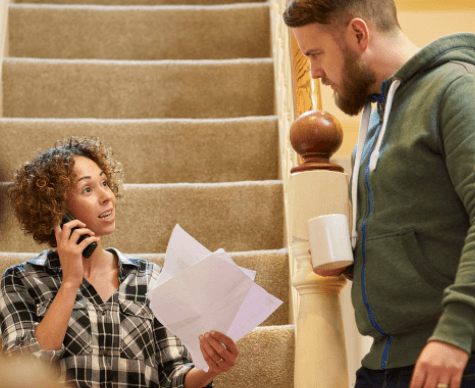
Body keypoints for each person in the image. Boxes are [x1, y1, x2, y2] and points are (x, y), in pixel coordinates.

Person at [283, 1, 475, 388]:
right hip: (383, 363)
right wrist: (355, 262)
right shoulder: (375, 116)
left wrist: (456, 331)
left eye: (316, 54)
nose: (314, 72)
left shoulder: (456, 90)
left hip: (451, 358)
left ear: (358, 33)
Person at [0, 136, 239, 387]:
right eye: (88, 189)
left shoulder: (151, 278)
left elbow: (174, 375)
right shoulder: (21, 281)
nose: (106, 197)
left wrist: (210, 369)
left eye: (104, 182)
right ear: (57, 210)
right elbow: (26, 373)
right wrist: (70, 283)